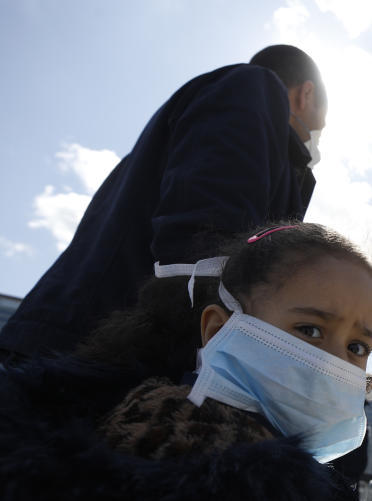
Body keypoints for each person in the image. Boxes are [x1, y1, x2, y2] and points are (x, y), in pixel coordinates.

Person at [0, 223, 372, 501]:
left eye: (357, 348)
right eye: (309, 330)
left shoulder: (253, 480)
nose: (336, 363)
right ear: (219, 330)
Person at [0, 44, 326, 363]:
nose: (317, 136)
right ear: (305, 94)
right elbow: (208, 238)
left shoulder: (214, 118)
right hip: (92, 355)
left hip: (76, 340)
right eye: (320, 124)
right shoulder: (251, 87)